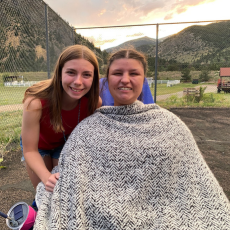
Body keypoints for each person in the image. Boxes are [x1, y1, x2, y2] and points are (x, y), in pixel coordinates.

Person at [34, 48, 230, 229]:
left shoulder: (171, 125)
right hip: (41, 148)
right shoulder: (88, 125)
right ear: (107, 79)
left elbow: (191, 178)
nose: (125, 80)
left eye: (134, 73)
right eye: (117, 73)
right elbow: (72, 175)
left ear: (144, 79)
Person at [21, 44, 101, 193]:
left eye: (86, 74)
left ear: (94, 78)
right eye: (71, 72)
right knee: (45, 191)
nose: (78, 81)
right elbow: (30, 150)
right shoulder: (35, 102)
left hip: (64, 143)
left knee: (63, 189)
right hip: (37, 146)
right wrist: (46, 178)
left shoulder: (94, 103)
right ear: (59, 73)